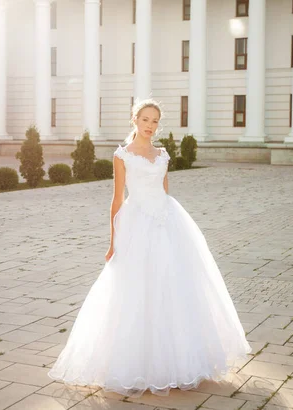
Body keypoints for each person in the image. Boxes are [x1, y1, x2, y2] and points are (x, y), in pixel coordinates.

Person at [47, 99, 251, 397]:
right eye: (145, 119)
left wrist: (167, 219)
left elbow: (165, 189)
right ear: (134, 119)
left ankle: (179, 363)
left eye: (155, 120)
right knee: (135, 290)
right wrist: (113, 240)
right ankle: (135, 364)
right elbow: (117, 200)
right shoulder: (122, 155)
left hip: (168, 222)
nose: (149, 125)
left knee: (174, 287)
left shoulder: (163, 154)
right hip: (136, 223)